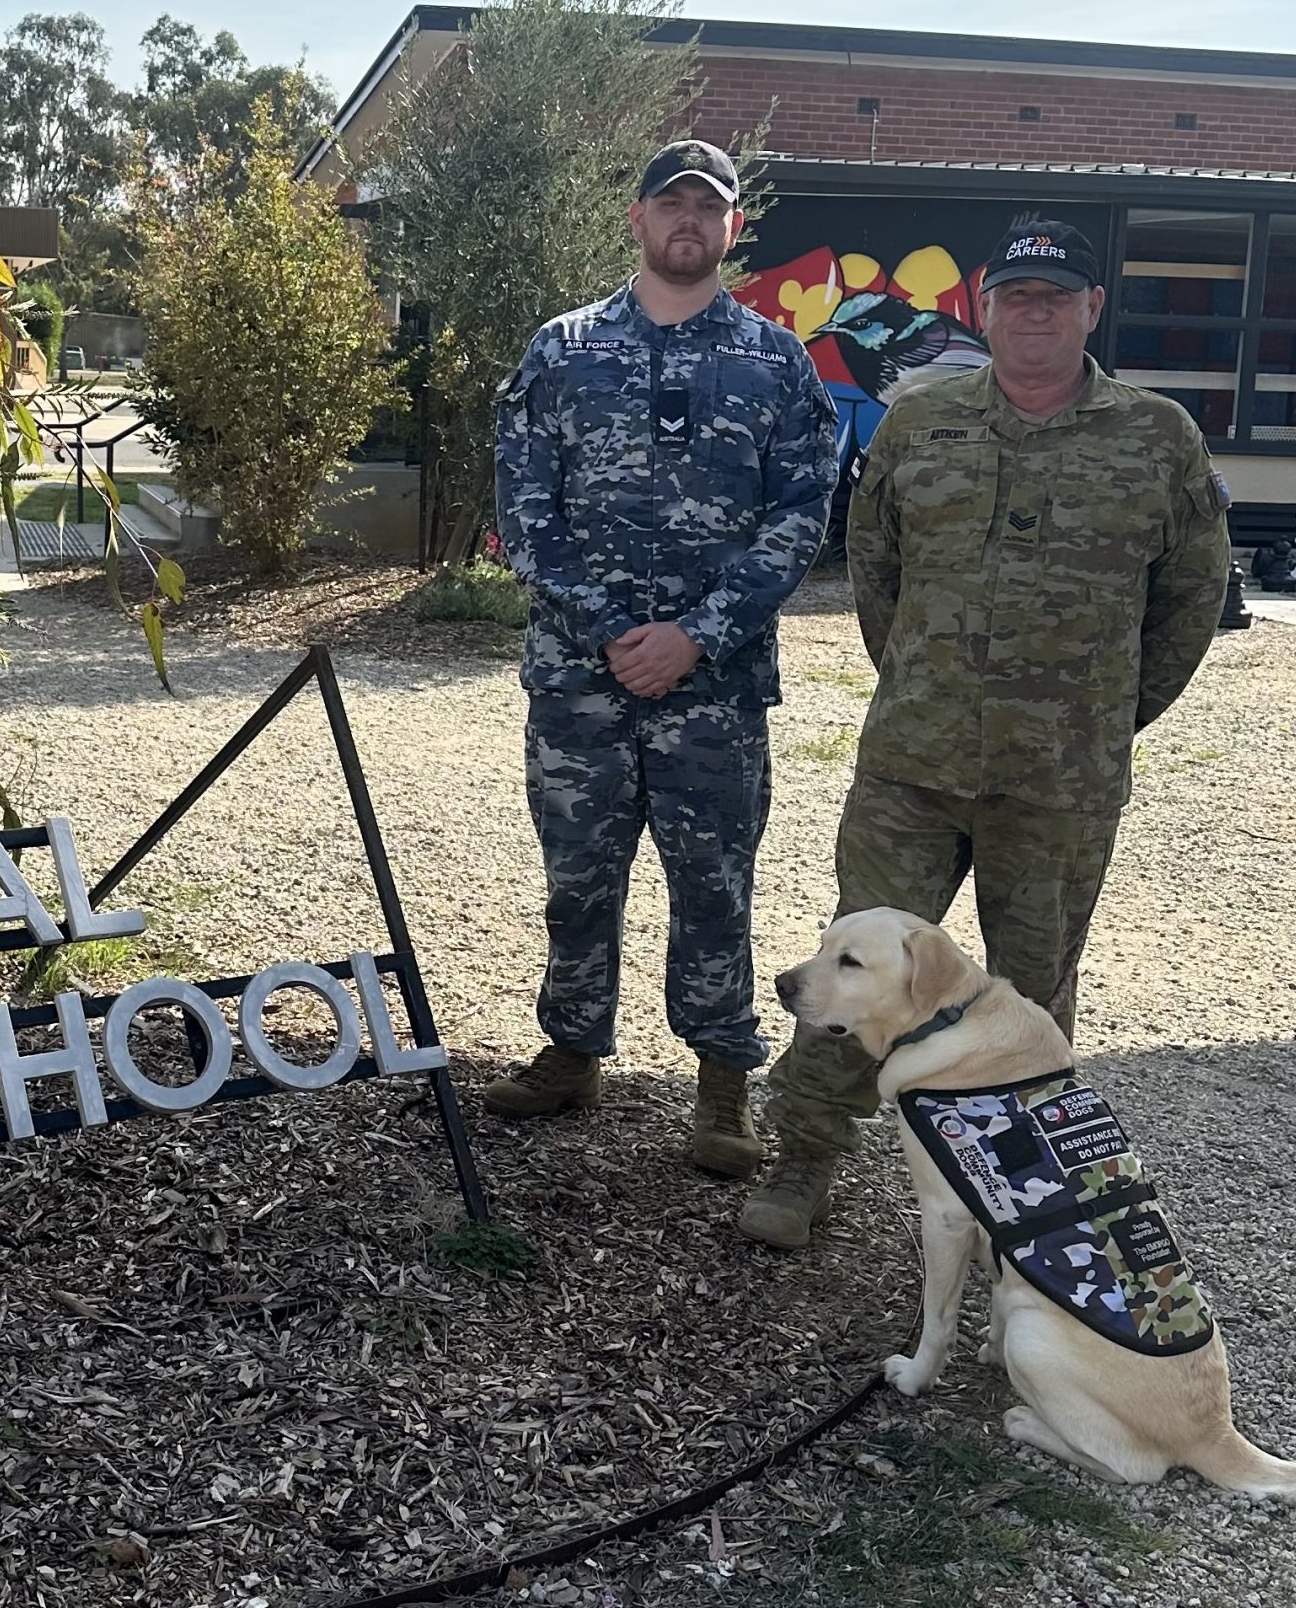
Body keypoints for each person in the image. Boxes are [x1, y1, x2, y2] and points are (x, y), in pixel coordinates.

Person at [741, 211, 1233, 1249]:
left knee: (1030, 991)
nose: (1034, 315)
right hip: (911, 766)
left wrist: (1108, 713)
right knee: (849, 970)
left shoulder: (1156, 437)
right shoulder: (919, 426)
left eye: (1056, 298)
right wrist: (925, 678)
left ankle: (1017, 1198)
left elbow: (1192, 594)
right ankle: (802, 1161)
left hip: (1058, 782)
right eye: (1015, 297)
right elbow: (873, 572)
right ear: (985, 308)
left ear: (1091, 309)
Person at [486, 140, 839, 1170]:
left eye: (706, 207)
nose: (687, 220)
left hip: (713, 690)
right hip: (577, 683)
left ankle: (721, 1086)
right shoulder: (560, 350)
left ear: (731, 229)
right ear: (636, 219)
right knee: (577, 878)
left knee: (714, 884)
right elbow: (522, 508)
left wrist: (696, 635)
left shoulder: (775, 363)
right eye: (669, 203)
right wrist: (607, 630)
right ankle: (569, 1049)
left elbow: (798, 519)